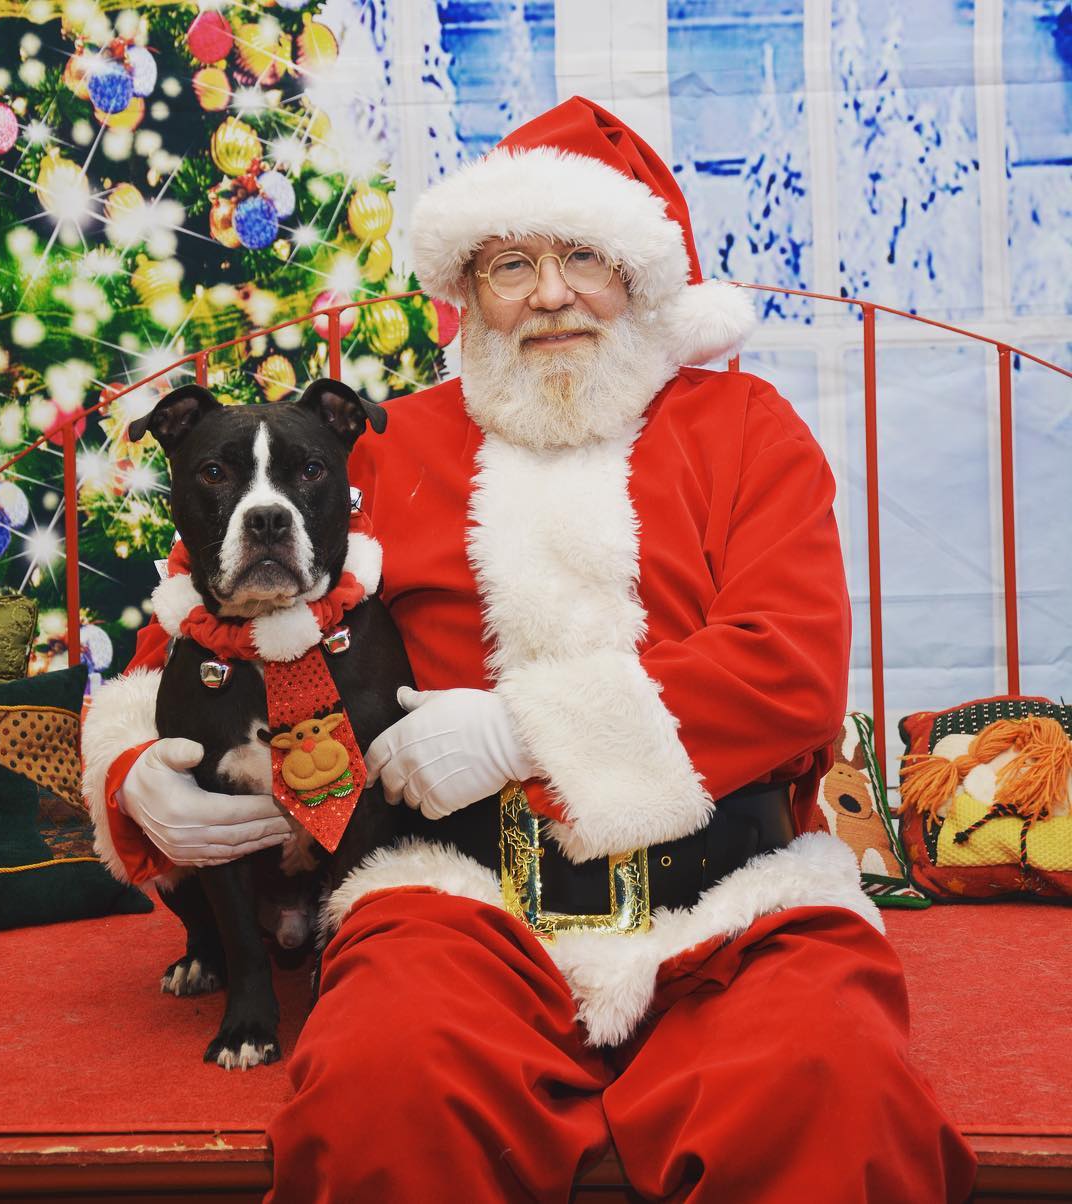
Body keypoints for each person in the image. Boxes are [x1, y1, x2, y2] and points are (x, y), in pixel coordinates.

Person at [83, 97, 977, 1202]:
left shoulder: (750, 430)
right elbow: (205, 616)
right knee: (380, 1091)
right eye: (512, 264)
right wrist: (132, 770)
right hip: (456, 901)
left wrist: (523, 731)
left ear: (642, 278)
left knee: (833, 1093)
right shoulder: (384, 447)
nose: (550, 294)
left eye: (584, 256)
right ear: (468, 292)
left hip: (732, 903)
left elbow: (790, 672)